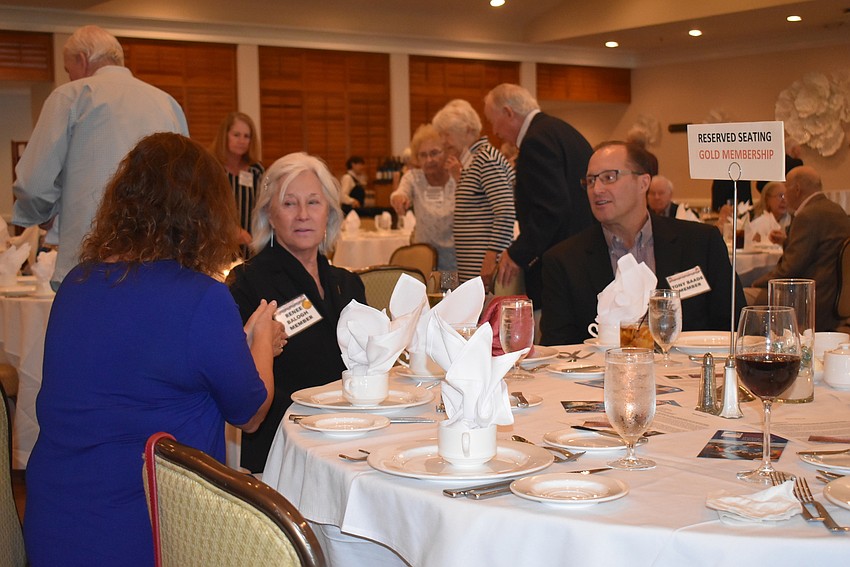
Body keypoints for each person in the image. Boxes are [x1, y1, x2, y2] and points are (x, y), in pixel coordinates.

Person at [23, 132, 281, 566]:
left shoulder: (76, 284)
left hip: (53, 523)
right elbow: (251, 413)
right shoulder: (201, 298)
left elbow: (137, 368)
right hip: (148, 535)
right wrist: (261, 343)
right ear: (205, 213)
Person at [11, 25, 188, 286]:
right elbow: (186, 182)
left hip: (89, 260)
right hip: (159, 259)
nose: (69, 76)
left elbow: (33, 184)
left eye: (67, 68)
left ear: (82, 59)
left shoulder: (71, 96)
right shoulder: (168, 103)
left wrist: (41, 214)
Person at [228, 152, 366, 472]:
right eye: (289, 204)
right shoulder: (247, 284)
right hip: (282, 453)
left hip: (352, 441)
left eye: (313, 203)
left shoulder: (349, 285)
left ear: (329, 213)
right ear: (269, 215)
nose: (303, 214)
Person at [541, 141, 745, 345]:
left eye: (609, 177)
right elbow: (558, 349)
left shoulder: (700, 243)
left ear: (643, 183)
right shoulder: (564, 261)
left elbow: (734, 327)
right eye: (591, 181)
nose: (597, 189)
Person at [484, 83, 594, 306]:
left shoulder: (536, 141)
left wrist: (517, 253)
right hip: (584, 253)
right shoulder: (561, 130)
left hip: (561, 262)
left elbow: (550, 209)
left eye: (492, 120)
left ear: (508, 112)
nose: (494, 131)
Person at [752, 166, 850, 331]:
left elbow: (788, 270)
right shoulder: (837, 210)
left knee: (741, 295)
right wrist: (786, 241)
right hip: (835, 298)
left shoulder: (807, 215)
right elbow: (820, 251)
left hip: (809, 300)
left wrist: (757, 283)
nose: (785, 195)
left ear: (796, 189)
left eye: (786, 187)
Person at [432, 99, 515, 287]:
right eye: (441, 135)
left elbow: (505, 212)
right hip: (474, 268)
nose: (443, 142)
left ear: (468, 130)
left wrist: (491, 257)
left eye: (447, 134)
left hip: (485, 269)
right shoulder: (473, 163)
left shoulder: (485, 159)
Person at [390, 124, 457, 271]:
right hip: (423, 260)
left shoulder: (457, 177)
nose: (429, 160)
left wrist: (460, 178)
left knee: (449, 293)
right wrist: (399, 198)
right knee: (423, 294)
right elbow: (400, 192)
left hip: (453, 261)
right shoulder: (414, 178)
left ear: (446, 153)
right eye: (423, 155)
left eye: (434, 153)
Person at [210, 111, 264, 249]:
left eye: (247, 136)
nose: (242, 141)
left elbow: (265, 206)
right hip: (217, 244)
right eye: (236, 135)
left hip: (250, 247)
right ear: (225, 136)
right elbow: (205, 207)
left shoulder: (256, 170)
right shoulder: (212, 168)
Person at [749, 181, 791, 246]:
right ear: (767, 199)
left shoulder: (792, 222)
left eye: (787, 196)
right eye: (781, 196)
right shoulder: (758, 223)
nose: (784, 200)